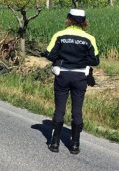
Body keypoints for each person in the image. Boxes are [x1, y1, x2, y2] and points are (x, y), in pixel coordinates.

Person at [46, 9, 99, 154]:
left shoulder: (59, 35)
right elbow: (95, 60)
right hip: (80, 76)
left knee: (59, 109)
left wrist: (62, 60)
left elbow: (49, 54)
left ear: (68, 19)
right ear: (84, 21)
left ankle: (55, 143)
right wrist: (80, 61)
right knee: (77, 111)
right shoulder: (89, 38)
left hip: (62, 75)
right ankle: (75, 145)